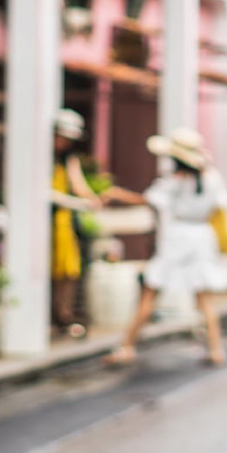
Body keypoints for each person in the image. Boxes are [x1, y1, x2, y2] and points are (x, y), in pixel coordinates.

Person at [105, 128, 227, 367]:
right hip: (202, 236)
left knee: (150, 293)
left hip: (178, 238)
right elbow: (221, 205)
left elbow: (148, 200)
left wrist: (117, 194)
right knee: (204, 298)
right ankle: (215, 349)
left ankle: (127, 346)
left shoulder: (174, 182)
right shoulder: (212, 178)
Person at [51, 110, 142, 339]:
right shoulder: (45, 158)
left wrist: (92, 199)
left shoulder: (68, 160)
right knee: (51, 269)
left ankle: (64, 313)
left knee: (69, 269)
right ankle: (53, 314)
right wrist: (75, 201)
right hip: (48, 220)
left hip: (64, 220)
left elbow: (78, 184)